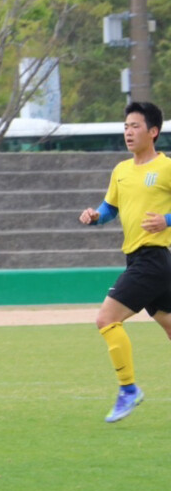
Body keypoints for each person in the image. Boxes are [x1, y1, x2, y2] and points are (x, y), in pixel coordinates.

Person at [79, 101, 171, 423]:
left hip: (154, 258)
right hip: (139, 260)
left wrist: (167, 220)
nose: (128, 132)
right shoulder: (120, 171)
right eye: (126, 127)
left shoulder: (166, 168)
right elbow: (110, 209)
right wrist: (95, 216)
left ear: (153, 132)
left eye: (135, 126)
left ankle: (128, 389)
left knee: (106, 319)